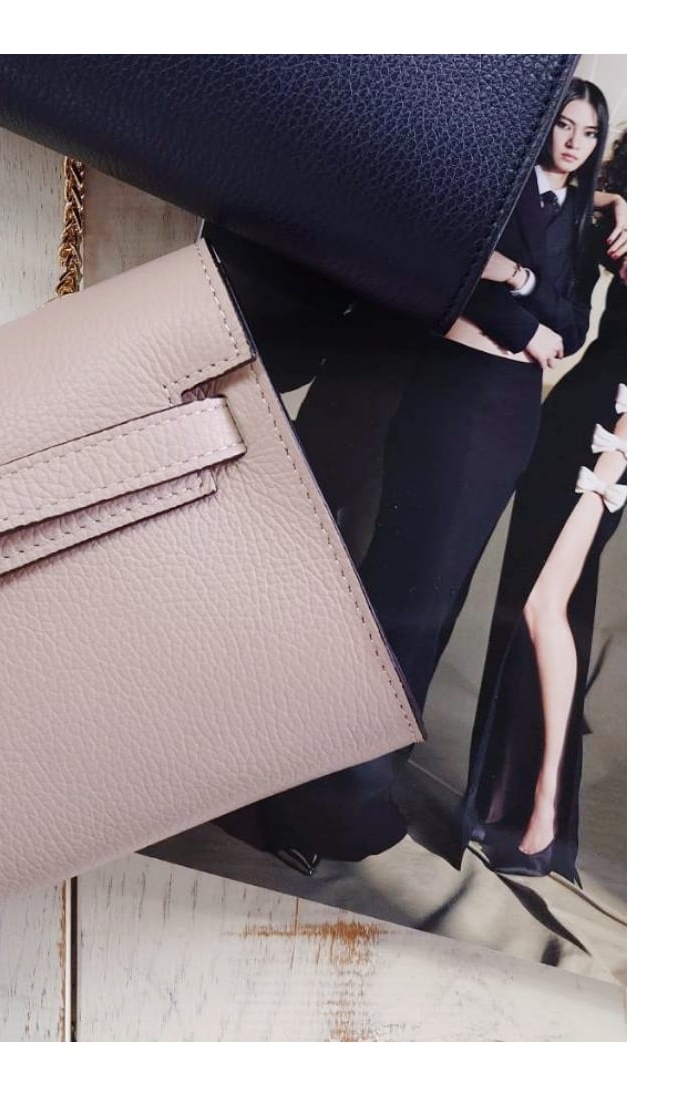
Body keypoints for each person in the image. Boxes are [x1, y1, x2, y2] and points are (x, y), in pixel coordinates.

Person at [261, 79, 611, 872]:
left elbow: (573, 325)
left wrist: (519, 285)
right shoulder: (498, 186)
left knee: (433, 604)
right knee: (393, 587)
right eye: (563, 124)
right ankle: (310, 796)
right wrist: (522, 304)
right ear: (544, 123)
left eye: (588, 133)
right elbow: (455, 273)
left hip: (506, 417)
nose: (572, 142)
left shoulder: (582, 220)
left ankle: (358, 793)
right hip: (448, 389)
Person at [463, 130, 628, 882]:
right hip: (571, 415)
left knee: (546, 606)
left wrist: (613, 466)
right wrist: (616, 202)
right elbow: (562, 196)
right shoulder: (627, 207)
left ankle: (542, 816)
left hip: (617, 435)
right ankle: (499, 801)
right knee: (524, 601)